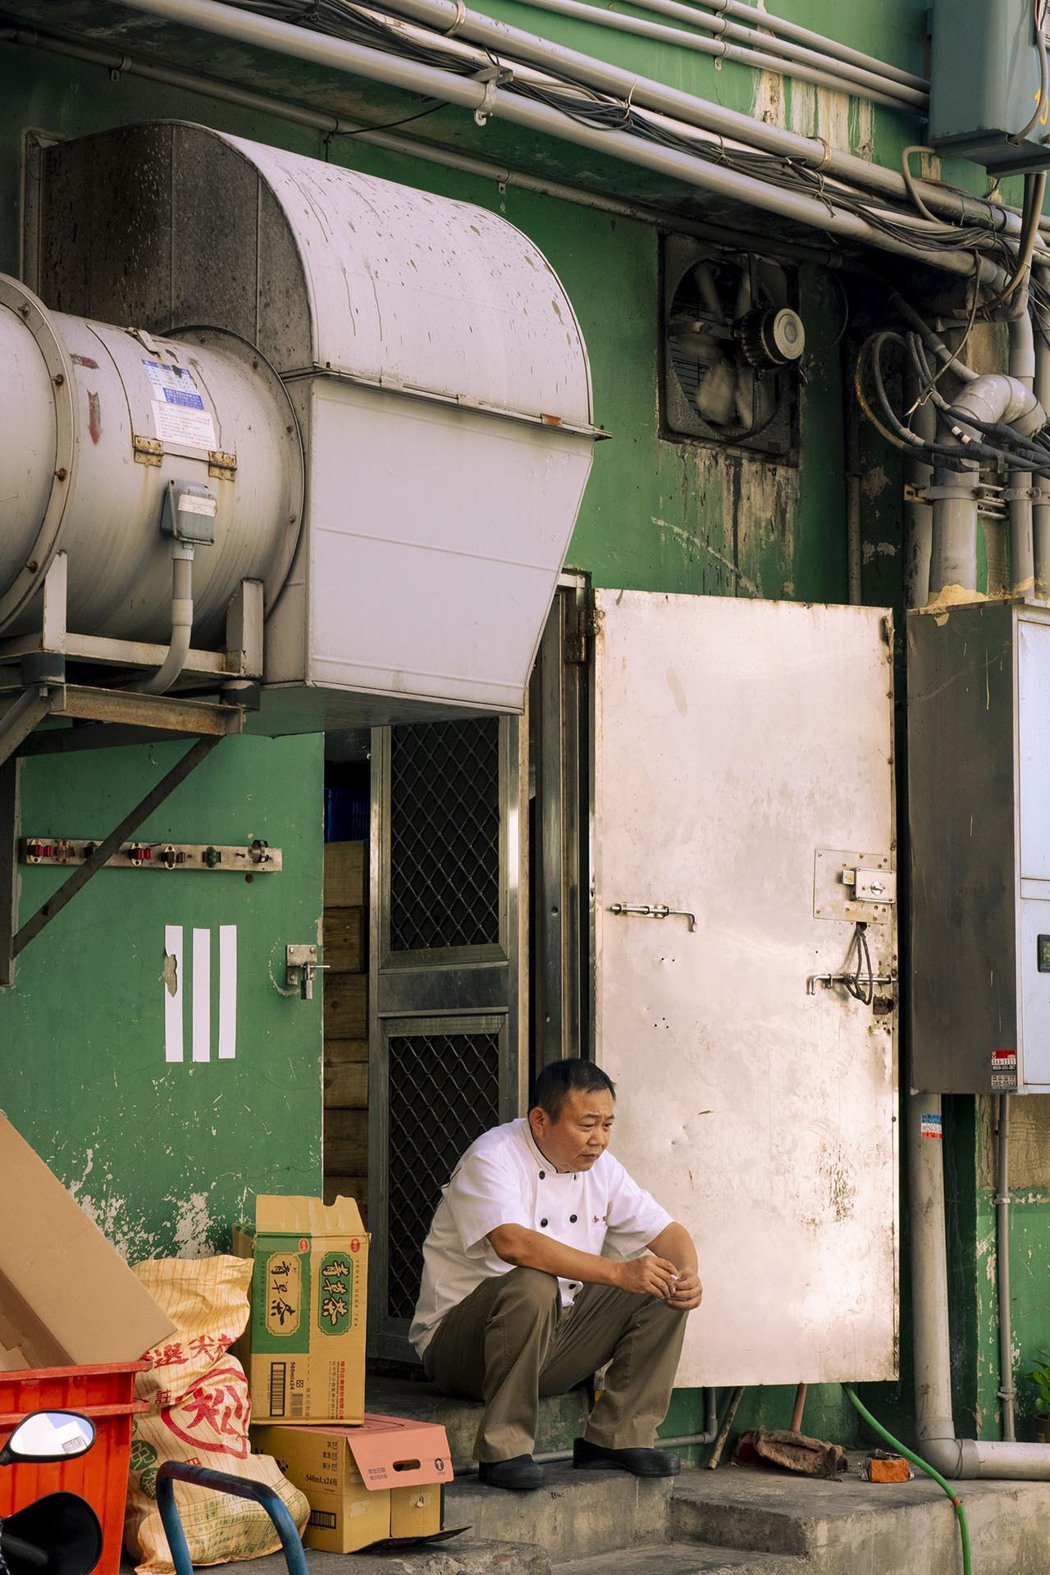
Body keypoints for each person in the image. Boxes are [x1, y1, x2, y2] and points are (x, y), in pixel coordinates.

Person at [410, 1058, 703, 1492]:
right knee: (533, 1282)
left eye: (607, 1125)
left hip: (552, 1344)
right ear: (541, 1120)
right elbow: (514, 1244)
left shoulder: (602, 1168)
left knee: (661, 1284)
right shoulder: (493, 1156)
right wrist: (619, 1273)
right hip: (462, 1349)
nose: (599, 1139)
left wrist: (687, 1276)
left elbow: (669, 1232)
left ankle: (617, 1438)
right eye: (587, 1124)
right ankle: (504, 1450)